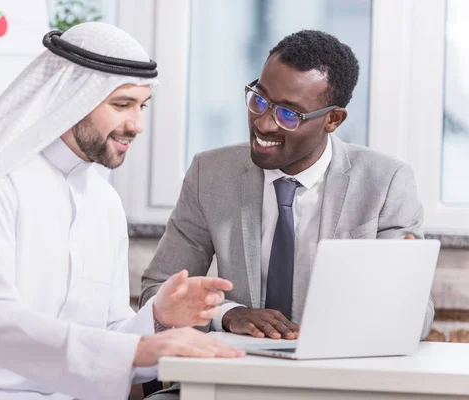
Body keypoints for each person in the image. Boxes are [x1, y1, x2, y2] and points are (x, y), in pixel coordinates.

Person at [0, 22, 244, 400]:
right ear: (74, 98)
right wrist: (137, 350)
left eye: (142, 106)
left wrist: (159, 318)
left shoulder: (104, 202)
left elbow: (106, 341)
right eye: (121, 104)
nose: (137, 125)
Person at [140, 30, 434, 399]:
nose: (264, 123)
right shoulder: (209, 174)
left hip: (337, 386)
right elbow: (157, 292)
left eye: (289, 114)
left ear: (333, 120)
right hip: (231, 382)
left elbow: (418, 318)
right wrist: (229, 315)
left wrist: (399, 292)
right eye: (259, 100)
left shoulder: (385, 182)